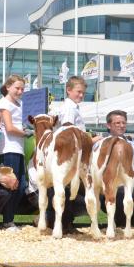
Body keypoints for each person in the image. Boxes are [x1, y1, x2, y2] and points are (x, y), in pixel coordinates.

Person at [45, 76, 91, 232]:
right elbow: (69, 130)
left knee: (65, 187)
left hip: (69, 151)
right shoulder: (69, 108)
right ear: (68, 90)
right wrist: (89, 139)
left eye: (83, 93)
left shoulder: (70, 107)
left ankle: (65, 223)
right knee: (65, 187)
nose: (81, 95)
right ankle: (61, 223)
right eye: (78, 92)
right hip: (69, 152)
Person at [0, 75, 30, 231]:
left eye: (22, 88)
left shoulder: (20, 103)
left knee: (21, 184)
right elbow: (9, 128)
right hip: (8, 147)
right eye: (17, 88)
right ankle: (7, 220)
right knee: (11, 184)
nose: (20, 91)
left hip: (19, 148)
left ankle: (9, 219)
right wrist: (25, 133)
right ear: (8, 87)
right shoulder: (4, 103)